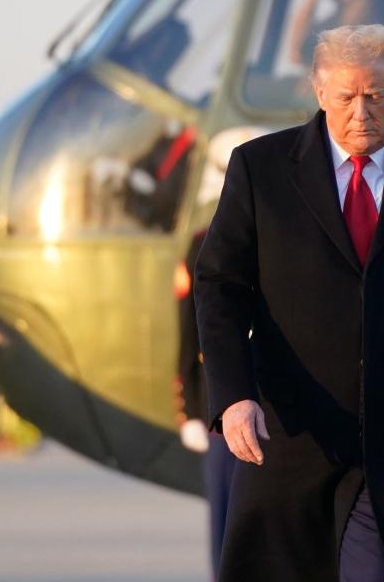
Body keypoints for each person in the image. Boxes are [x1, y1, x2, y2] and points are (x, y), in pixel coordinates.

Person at [194, 24, 384, 582]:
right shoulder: (260, 168)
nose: (362, 111)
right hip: (287, 435)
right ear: (318, 91)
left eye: (377, 95)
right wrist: (232, 396)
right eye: (346, 96)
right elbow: (220, 286)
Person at [173, 228, 236, 581]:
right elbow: (189, 327)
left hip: (278, 407)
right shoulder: (205, 241)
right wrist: (192, 409)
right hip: (221, 406)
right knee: (226, 517)